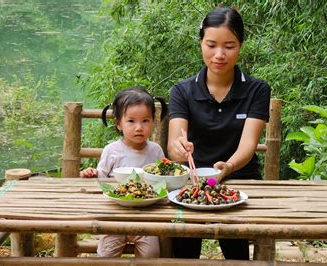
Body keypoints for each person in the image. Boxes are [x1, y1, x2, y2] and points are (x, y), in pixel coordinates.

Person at [167, 6, 271, 260]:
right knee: (183, 247)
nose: (219, 55)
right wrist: (179, 149)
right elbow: (173, 145)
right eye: (211, 45)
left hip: (240, 178)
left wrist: (228, 167)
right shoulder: (182, 91)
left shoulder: (257, 90)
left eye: (229, 46)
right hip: (191, 180)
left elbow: (248, 146)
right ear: (201, 42)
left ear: (241, 46)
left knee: (235, 247)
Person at [80, 86, 167, 258]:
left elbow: (162, 179)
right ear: (118, 123)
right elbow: (102, 179)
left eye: (145, 121)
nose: (139, 128)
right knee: (106, 255)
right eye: (131, 121)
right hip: (114, 218)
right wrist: (92, 174)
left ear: (154, 122)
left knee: (152, 254)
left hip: (146, 220)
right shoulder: (112, 151)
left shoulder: (156, 151)